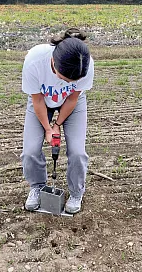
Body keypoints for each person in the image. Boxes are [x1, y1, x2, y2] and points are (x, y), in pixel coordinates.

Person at [21, 28, 94, 214]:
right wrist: (47, 128)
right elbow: (37, 100)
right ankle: (37, 186)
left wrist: (57, 124)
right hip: (42, 101)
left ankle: (76, 192)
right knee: (29, 151)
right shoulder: (35, 61)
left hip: (72, 103)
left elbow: (72, 98)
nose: (67, 82)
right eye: (63, 78)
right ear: (53, 62)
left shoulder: (86, 64)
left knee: (77, 152)